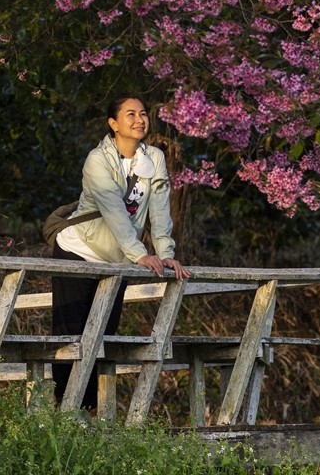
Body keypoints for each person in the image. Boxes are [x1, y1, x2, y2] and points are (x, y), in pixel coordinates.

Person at [51, 95, 191, 410]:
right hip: (78, 252)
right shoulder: (97, 160)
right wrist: (140, 254)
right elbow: (114, 211)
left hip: (117, 261)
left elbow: (160, 209)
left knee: (104, 338)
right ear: (113, 124)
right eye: (130, 114)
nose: (139, 119)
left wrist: (165, 251)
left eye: (143, 113)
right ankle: (65, 414)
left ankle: (91, 415)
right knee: (71, 339)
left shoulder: (153, 157)